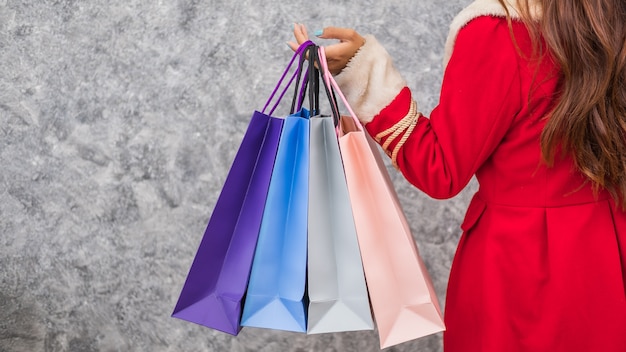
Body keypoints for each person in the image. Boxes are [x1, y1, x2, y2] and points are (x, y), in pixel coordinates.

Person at [289, 0, 626, 351]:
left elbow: (440, 170)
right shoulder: (611, 19)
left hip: (517, 266)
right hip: (609, 253)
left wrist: (366, 72)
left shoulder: (501, 33)